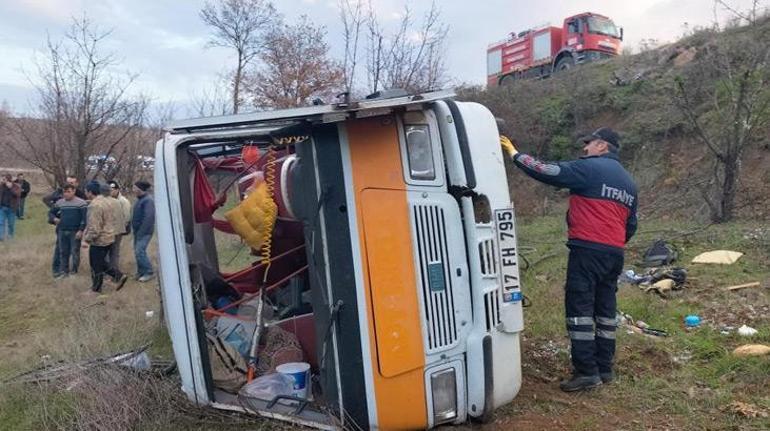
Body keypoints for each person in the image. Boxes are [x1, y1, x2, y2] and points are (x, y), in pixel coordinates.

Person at [501, 127, 638, 392]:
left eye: (589, 144)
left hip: (587, 250)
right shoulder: (629, 183)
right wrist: (613, 242)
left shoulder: (590, 169)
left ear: (602, 147)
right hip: (614, 254)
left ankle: (587, 372)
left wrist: (516, 155)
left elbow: (549, 171)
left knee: (580, 310)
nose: (584, 149)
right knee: (605, 310)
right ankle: (604, 368)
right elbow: (631, 225)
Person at [83, 181, 127, 292]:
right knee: (101, 263)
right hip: (110, 236)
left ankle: (97, 288)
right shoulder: (111, 201)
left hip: (99, 239)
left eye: (86, 191)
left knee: (96, 265)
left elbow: (94, 227)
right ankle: (117, 276)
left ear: (89, 192)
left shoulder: (95, 205)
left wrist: (87, 240)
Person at [45, 176, 86, 276]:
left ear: (74, 191)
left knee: (74, 252)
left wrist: (81, 230)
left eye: (68, 191)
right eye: (65, 192)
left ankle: (74, 272)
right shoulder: (60, 202)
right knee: (63, 252)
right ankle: (63, 271)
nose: (66, 194)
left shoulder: (81, 203)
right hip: (62, 230)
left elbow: (84, 219)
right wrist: (54, 219)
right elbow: (51, 213)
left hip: (75, 231)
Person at [105, 181, 131, 282]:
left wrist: (120, 229)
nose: (110, 192)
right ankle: (108, 272)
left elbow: (126, 217)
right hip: (108, 230)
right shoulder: (107, 200)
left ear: (117, 190)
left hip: (117, 230)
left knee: (114, 253)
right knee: (106, 252)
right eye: (108, 190)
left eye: (112, 190)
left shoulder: (123, 201)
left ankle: (115, 274)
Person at [132, 180, 155, 282]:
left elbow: (148, 218)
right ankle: (140, 272)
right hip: (138, 231)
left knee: (139, 251)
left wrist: (142, 231)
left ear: (139, 189)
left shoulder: (148, 200)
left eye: (134, 187)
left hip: (144, 232)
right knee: (137, 252)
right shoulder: (140, 200)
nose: (133, 189)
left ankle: (149, 272)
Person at [0, 174, 22, 241]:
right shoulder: (1, 186)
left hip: (12, 209)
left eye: (4, 179)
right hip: (2, 208)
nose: (3, 181)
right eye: (2, 179)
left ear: (9, 180)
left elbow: (18, 194)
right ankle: (1, 237)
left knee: (11, 224)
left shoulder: (16, 186)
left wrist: (11, 188)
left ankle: (10, 237)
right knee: (1, 223)